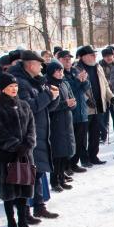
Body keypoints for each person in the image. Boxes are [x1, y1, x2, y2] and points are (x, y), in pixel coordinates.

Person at [10, 50, 60, 219]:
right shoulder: (19, 83)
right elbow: (28, 107)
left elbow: (46, 107)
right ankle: (24, 212)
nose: (41, 67)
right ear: (31, 65)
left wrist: (54, 97)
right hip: (25, 133)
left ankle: (39, 205)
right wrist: (48, 95)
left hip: (39, 130)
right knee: (26, 172)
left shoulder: (36, 80)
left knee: (37, 171)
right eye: (39, 64)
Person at [0, 73, 38, 227]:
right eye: (10, 86)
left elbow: (31, 126)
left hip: (25, 154)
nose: (14, 89)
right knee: (9, 191)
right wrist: (15, 145)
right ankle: (11, 222)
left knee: (24, 188)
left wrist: (29, 143)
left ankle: (23, 221)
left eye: (15, 86)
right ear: (3, 89)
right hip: (7, 155)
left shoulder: (24, 104)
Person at [76, 46, 114, 168]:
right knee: (82, 135)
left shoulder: (98, 67)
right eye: (91, 54)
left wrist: (111, 97)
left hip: (99, 105)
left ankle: (93, 156)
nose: (94, 56)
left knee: (95, 133)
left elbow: (105, 85)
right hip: (85, 108)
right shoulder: (76, 69)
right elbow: (75, 88)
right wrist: (86, 100)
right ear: (83, 57)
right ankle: (84, 159)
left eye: (94, 54)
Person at [45, 60, 77, 188]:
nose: (60, 73)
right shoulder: (48, 85)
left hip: (67, 120)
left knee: (66, 151)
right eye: (57, 71)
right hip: (55, 123)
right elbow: (49, 106)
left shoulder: (64, 83)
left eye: (61, 71)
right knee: (57, 153)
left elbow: (71, 98)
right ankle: (55, 181)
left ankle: (62, 175)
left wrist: (72, 104)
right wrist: (65, 104)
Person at [67, 50, 93, 170]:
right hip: (71, 112)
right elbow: (70, 88)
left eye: (69, 59)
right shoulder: (60, 73)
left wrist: (84, 80)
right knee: (71, 140)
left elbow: (84, 88)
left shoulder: (75, 71)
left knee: (81, 139)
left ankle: (74, 163)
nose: (68, 61)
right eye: (65, 59)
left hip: (82, 110)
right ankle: (68, 165)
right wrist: (78, 80)